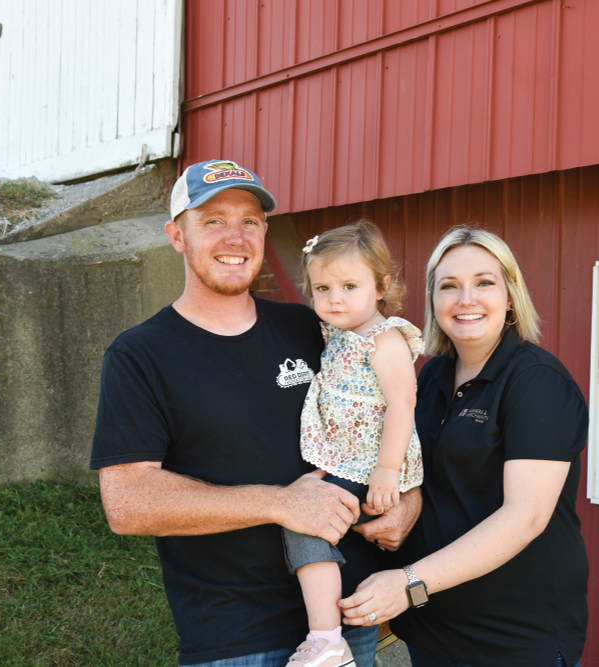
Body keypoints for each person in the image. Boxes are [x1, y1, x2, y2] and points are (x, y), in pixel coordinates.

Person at [89, 159, 420, 667]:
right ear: (177, 236)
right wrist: (279, 503)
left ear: (264, 232)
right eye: (213, 221)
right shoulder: (141, 355)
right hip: (235, 636)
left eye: (249, 221)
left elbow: (390, 410)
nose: (235, 237)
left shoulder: (314, 328)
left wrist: (407, 501)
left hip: (350, 618)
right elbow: (129, 503)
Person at [339, 226, 590, 666]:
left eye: (485, 283)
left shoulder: (537, 382)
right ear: (434, 302)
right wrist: (405, 503)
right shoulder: (431, 376)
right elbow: (422, 468)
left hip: (511, 638)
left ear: (510, 296)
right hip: (431, 629)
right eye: (449, 286)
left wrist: (408, 582)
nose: (466, 299)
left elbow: (526, 516)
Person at [282, 221, 424, 667]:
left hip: (371, 463)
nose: (334, 298)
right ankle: (330, 634)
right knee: (306, 518)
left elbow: (403, 402)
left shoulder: (384, 339)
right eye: (321, 287)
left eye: (349, 285)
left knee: (306, 519)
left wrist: (386, 472)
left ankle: (326, 641)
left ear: (382, 286)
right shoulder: (340, 334)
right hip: (347, 456)